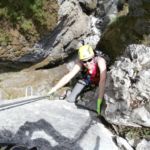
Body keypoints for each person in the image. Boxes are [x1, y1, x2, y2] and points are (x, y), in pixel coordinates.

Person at [48, 44, 107, 115]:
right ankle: (68, 92)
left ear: (93, 56)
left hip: (100, 80)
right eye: (84, 61)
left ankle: (83, 94)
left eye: (89, 60)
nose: (87, 63)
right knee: (70, 100)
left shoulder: (100, 61)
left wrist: (99, 100)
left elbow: (102, 80)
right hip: (88, 79)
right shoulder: (80, 62)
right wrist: (54, 89)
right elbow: (69, 76)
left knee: (94, 104)